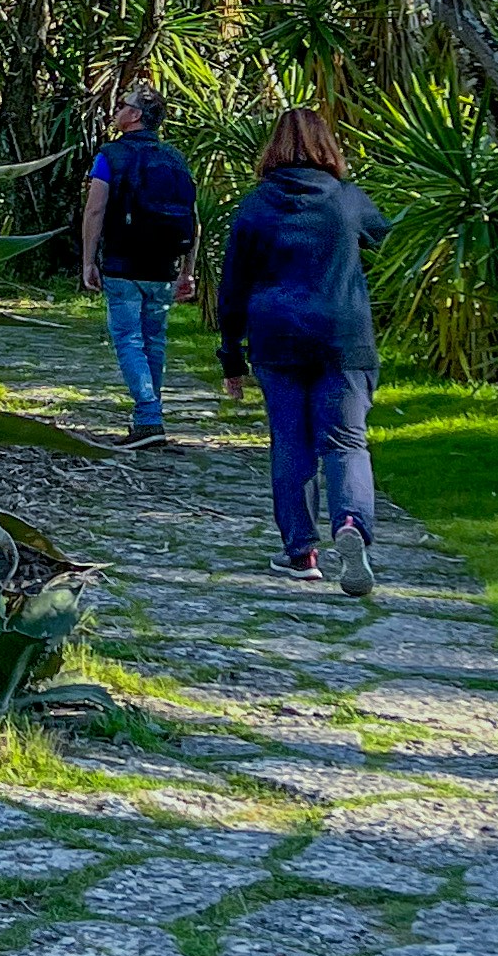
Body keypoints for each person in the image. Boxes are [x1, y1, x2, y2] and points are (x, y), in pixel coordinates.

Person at [215, 106, 389, 595]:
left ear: (272, 148)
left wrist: (231, 356)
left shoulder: (255, 206)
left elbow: (232, 287)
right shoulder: (347, 199)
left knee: (291, 442)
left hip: (277, 337)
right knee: (346, 442)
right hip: (343, 336)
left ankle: (302, 552)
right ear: (328, 146)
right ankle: (351, 523)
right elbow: (385, 239)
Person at [80, 81, 197, 446]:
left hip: (123, 264)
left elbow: (95, 209)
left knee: (129, 339)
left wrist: (88, 260)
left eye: (122, 106)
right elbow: (192, 218)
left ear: (134, 116)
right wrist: (188, 269)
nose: (117, 110)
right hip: (163, 265)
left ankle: (148, 416)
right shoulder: (175, 159)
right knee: (154, 341)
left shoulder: (110, 157)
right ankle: (148, 418)